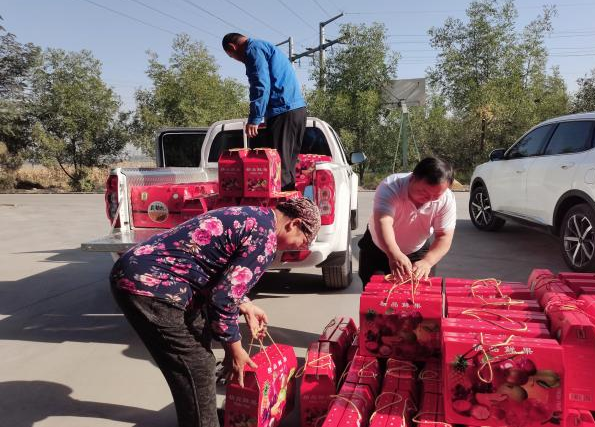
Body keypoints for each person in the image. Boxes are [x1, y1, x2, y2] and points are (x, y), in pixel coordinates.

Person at [109, 198, 321, 427]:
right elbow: (223, 299)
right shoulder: (265, 240)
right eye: (304, 241)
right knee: (197, 365)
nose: (301, 247)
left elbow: (220, 272)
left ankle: (203, 418)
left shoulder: (256, 217)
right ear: (294, 224)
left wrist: (246, 305)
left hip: (150, 272)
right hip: (149, 285)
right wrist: (236, 351)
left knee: (200, 341)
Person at [222, 33, 307, 191]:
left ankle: (280, 205)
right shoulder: (263, 46)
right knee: (288, 166)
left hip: (282, 111)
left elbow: (260, 84)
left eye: (233, 57)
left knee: (278, 167)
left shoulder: (252, 50)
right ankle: (289, 203)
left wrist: (255, 118)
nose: (238, 60)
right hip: (297, 110)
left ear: (232, 48)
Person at [358, 157, 456, 286]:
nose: (429, 199)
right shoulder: (391, 186)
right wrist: (394, 254)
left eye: (436, 196)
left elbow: (444, 236)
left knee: (418, 294)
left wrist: (427, 262)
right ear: (412, 178)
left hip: (418, 251)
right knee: (377, 294)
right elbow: (384, 221)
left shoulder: (446, 198)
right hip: (379, 249)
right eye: (424, 192)